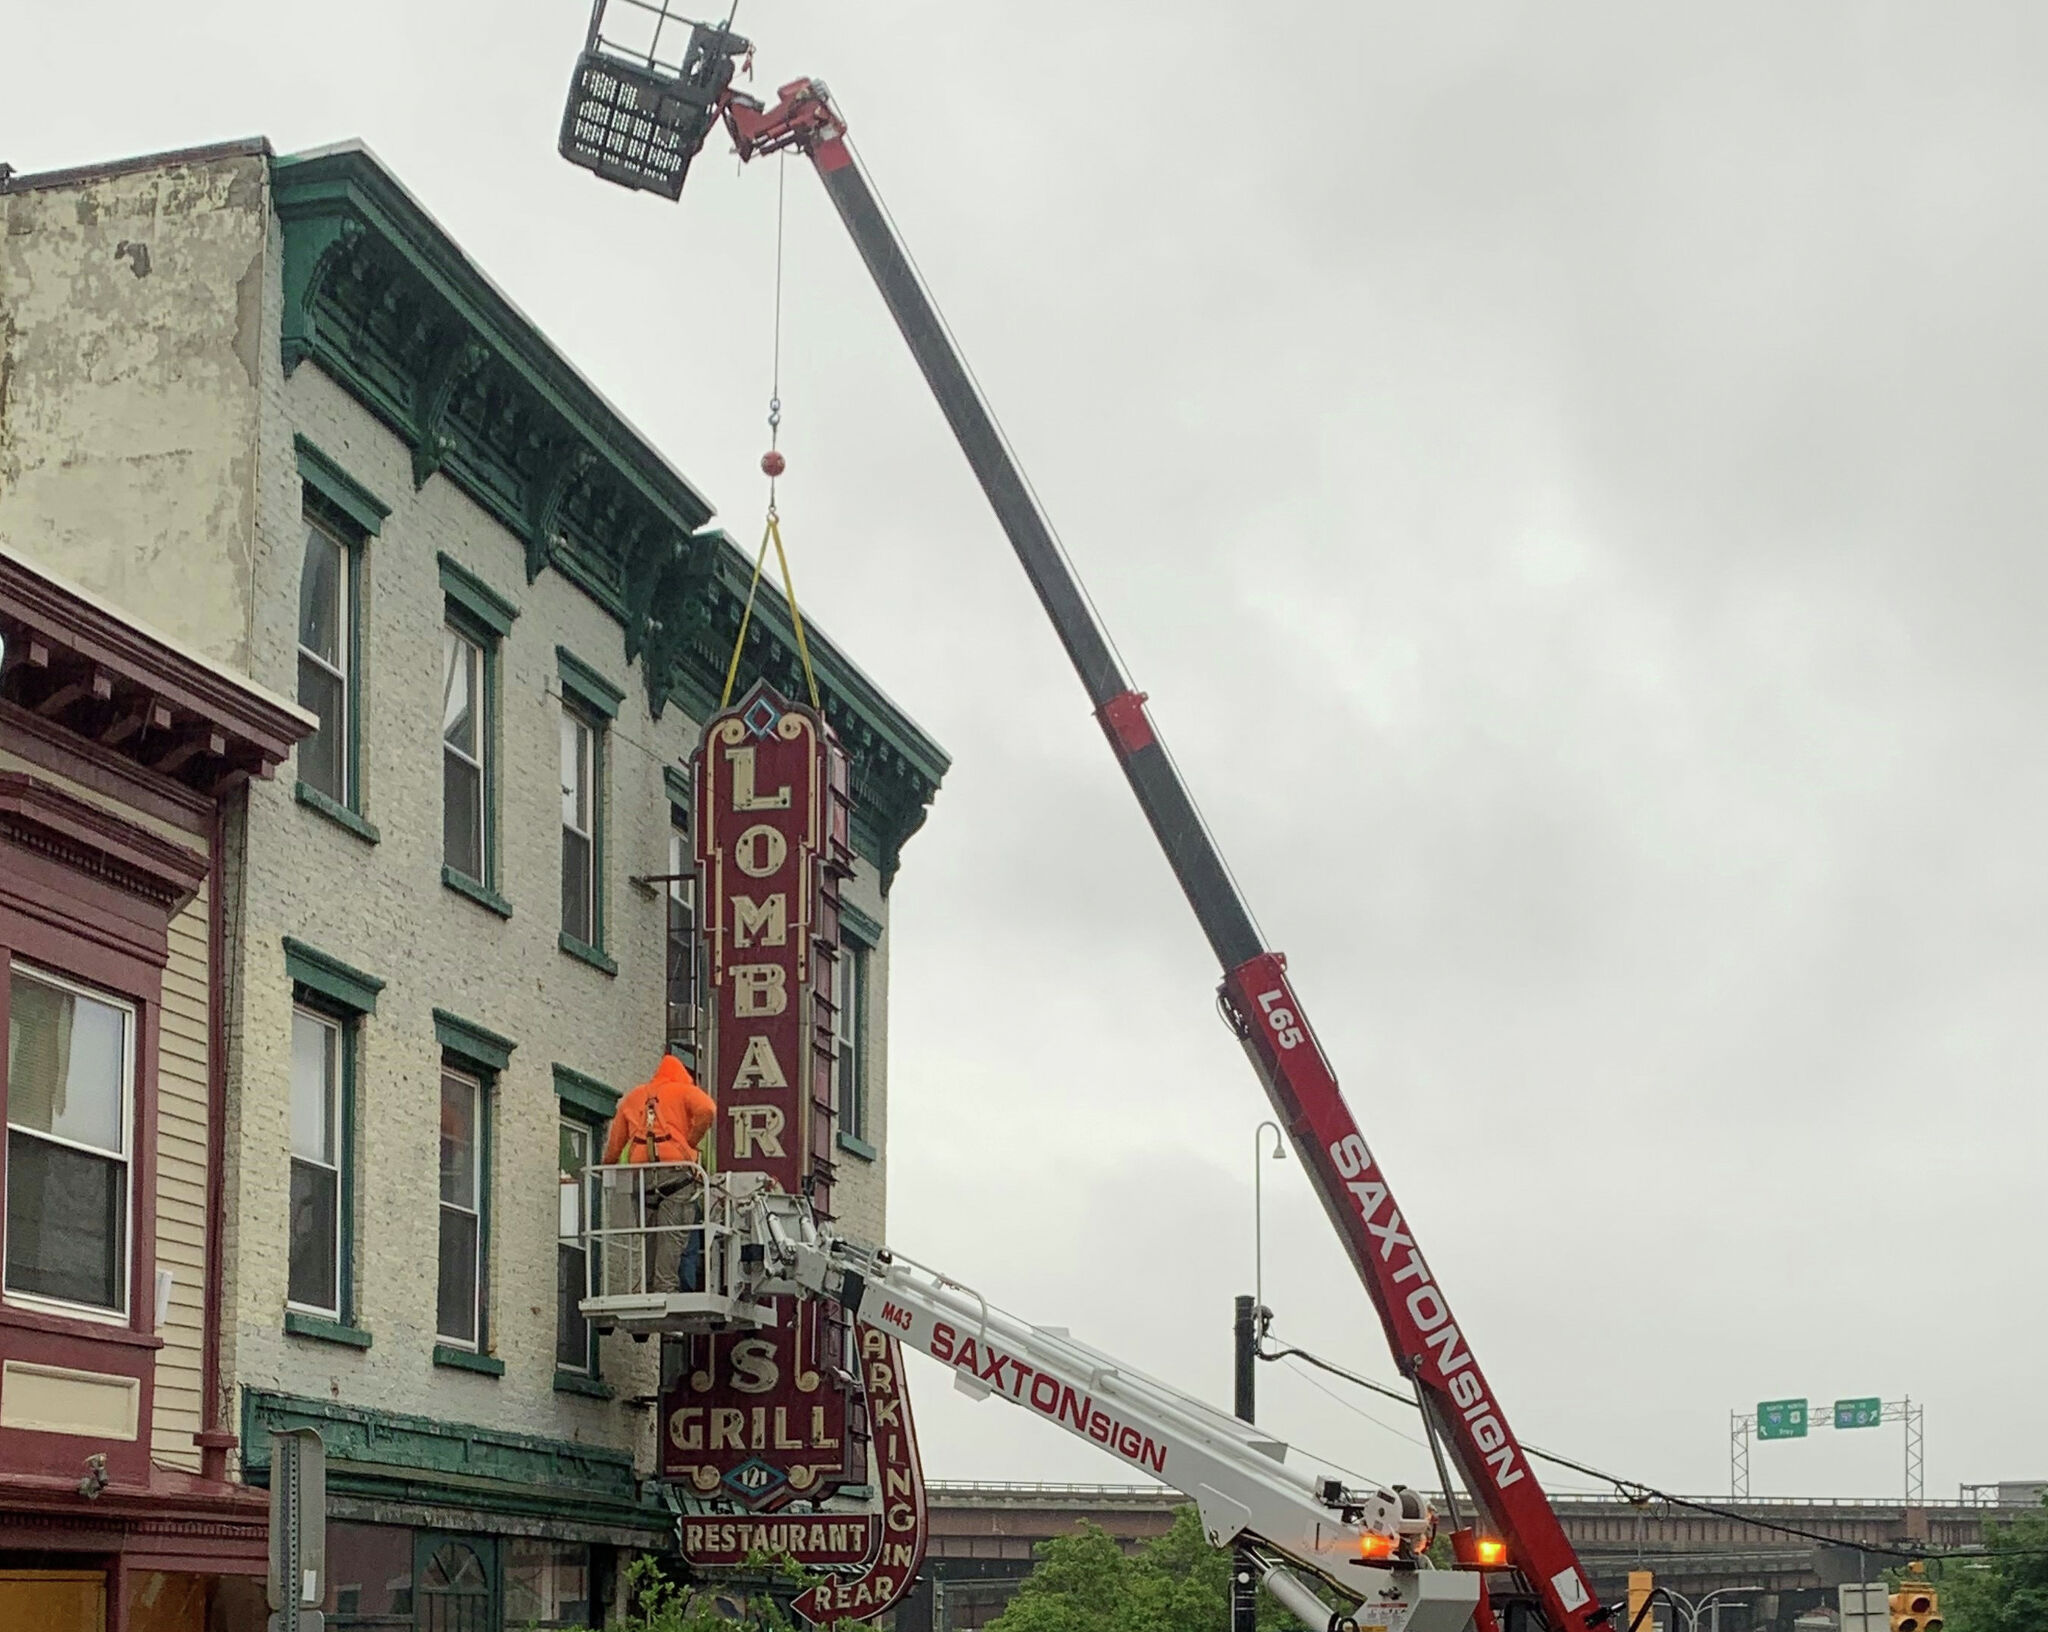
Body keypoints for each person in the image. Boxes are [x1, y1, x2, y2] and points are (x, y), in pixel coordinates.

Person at [604, 1055, 716, 1294]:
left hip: (642, 1176)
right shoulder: (683, 1091)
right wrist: (690, 1141)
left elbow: (615, 1144)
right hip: (677, 1175)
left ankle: (645, 1287)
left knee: (648, 1236)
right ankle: (665, 1288)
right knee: (672, 1237)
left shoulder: (635, 1096)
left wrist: (607, 1166)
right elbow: (708, 1109)